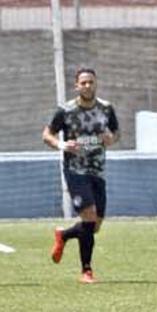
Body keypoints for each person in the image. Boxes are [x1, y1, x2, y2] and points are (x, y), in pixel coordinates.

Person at [43, 67, 120, 284]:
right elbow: (47, 134)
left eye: (91, 82)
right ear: (76, 86)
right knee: (88, 217)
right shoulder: (66, 111)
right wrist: (61, 144)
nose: (87, 86)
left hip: (98, 171)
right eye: (83, 83)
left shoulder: (106, 109)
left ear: (96, 84)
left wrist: (111, 139)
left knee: (94, 225)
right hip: (75, 170)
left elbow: (116, 132)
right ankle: (86, 271)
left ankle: (64, 235)